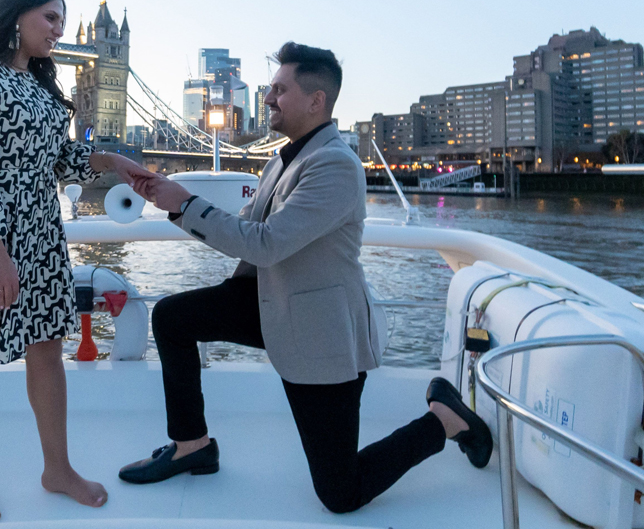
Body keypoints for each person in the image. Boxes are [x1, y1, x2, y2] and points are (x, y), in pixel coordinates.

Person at [120, 42, 492, 513]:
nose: (268, 98)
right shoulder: (281, 160)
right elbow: (245, 231)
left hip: (319, 330)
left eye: (279, 90)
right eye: (269, 89)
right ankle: (192, 446)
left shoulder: (335, 165)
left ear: (316, 101)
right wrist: (173, 201)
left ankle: (444, 420)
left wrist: (185, 203)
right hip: (269, 302)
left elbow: (266, 243)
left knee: (340, 493)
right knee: (173, 318)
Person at [0, 0, 157, 524]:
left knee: (47, 348)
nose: (58, 31)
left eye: (62, 22)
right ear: (16, 13)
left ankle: (57, 469)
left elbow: (58, 159)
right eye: (50, 18)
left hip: (42, 235)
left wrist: (111, 161)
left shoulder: (41, 84)